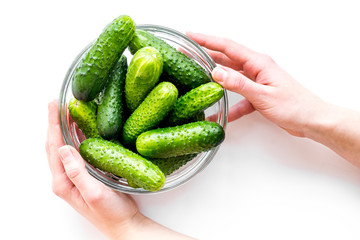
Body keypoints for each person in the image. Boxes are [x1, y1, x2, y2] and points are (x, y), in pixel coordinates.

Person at [46, 32, 360, 239]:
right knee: (129, 130)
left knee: (134, 133)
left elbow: (133, 133)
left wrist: (128, 227)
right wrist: (315, 118)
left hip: (138, 135)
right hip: (135, 132)